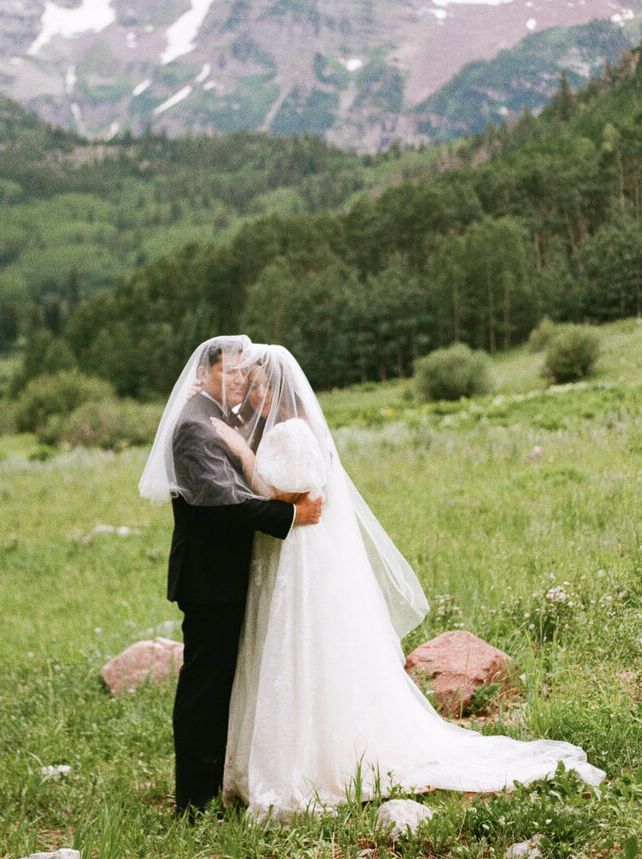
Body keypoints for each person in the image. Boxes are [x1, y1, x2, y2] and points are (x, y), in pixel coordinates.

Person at [208, 343, 605, 822]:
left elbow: (283, 493)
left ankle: (315, 763)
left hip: (301, 558)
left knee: (303, 646)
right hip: (283, 553)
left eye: (261, 386)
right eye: (249, 387)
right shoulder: (275, 430)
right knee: (283, 650)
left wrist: (237, 452)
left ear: (282, 388)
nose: (254, 397)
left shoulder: (293, 431)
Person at [139, 335, 322, 816]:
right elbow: (224, 503)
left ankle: (219, 780)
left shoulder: (225, 417)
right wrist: (290, 517)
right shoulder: (196, 427)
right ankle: (193, 803)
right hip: (210, 577)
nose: (240, 380)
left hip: (230, 573)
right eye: (231, 373)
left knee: (223, 683)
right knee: (204, 687)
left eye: (244, 373)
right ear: (204, 375)